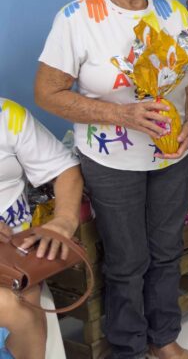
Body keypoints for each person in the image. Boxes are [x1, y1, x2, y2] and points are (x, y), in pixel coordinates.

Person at [35, 0, 188, 359]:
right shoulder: (76, 19)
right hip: (112, 161)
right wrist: (122, 114)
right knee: (127, 259)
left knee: (167, 249)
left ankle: (164, 338)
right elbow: (48, 93)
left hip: (172, 156)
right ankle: (128, 347)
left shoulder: (174, 12)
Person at [0, 98, 82, 359]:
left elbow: (65, 169)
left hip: (15, 260)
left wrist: (64, 220)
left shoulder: (7, 115)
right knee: (11, 306)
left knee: (24, 297)